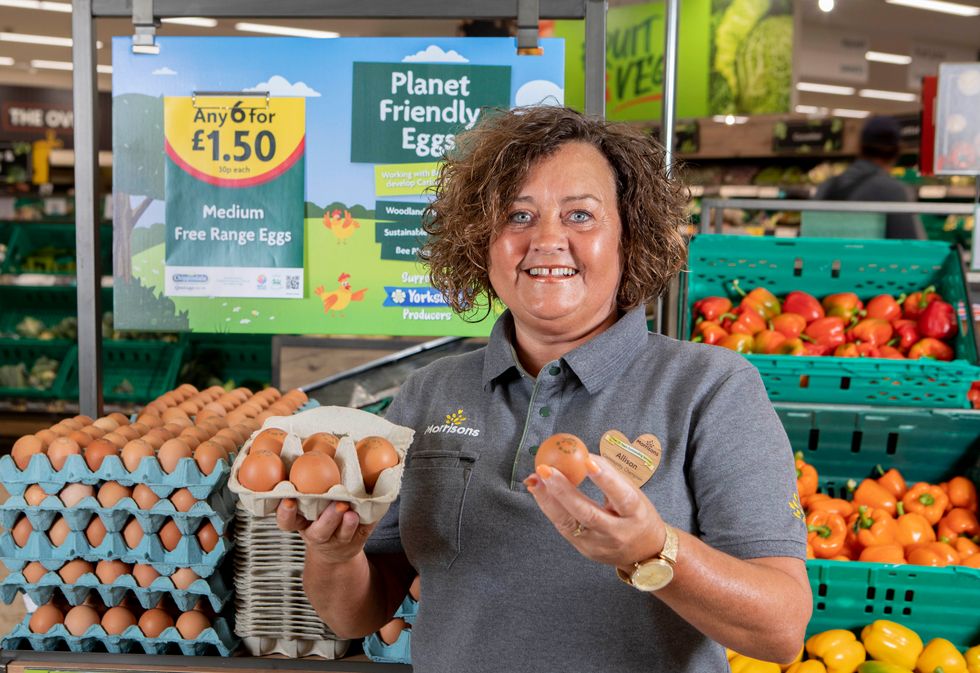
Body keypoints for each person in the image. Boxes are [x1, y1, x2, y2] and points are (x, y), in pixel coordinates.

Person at [277, 106, 811, 672]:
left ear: (630, 235)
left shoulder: (711, 389)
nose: (547, 240)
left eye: (580, 215)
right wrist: (334, 555)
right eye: (517, 215)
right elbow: (356, 614)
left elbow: (780, 632)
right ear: (482, 240)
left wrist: (654, 550)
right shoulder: (429, 393)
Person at [815, 115, 925, 239]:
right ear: (897, 150)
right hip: (871, 258)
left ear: (860, 146)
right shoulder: (893, 191)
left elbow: (805, 239)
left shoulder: (827, 186)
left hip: (827, 258)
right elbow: (912, 246)